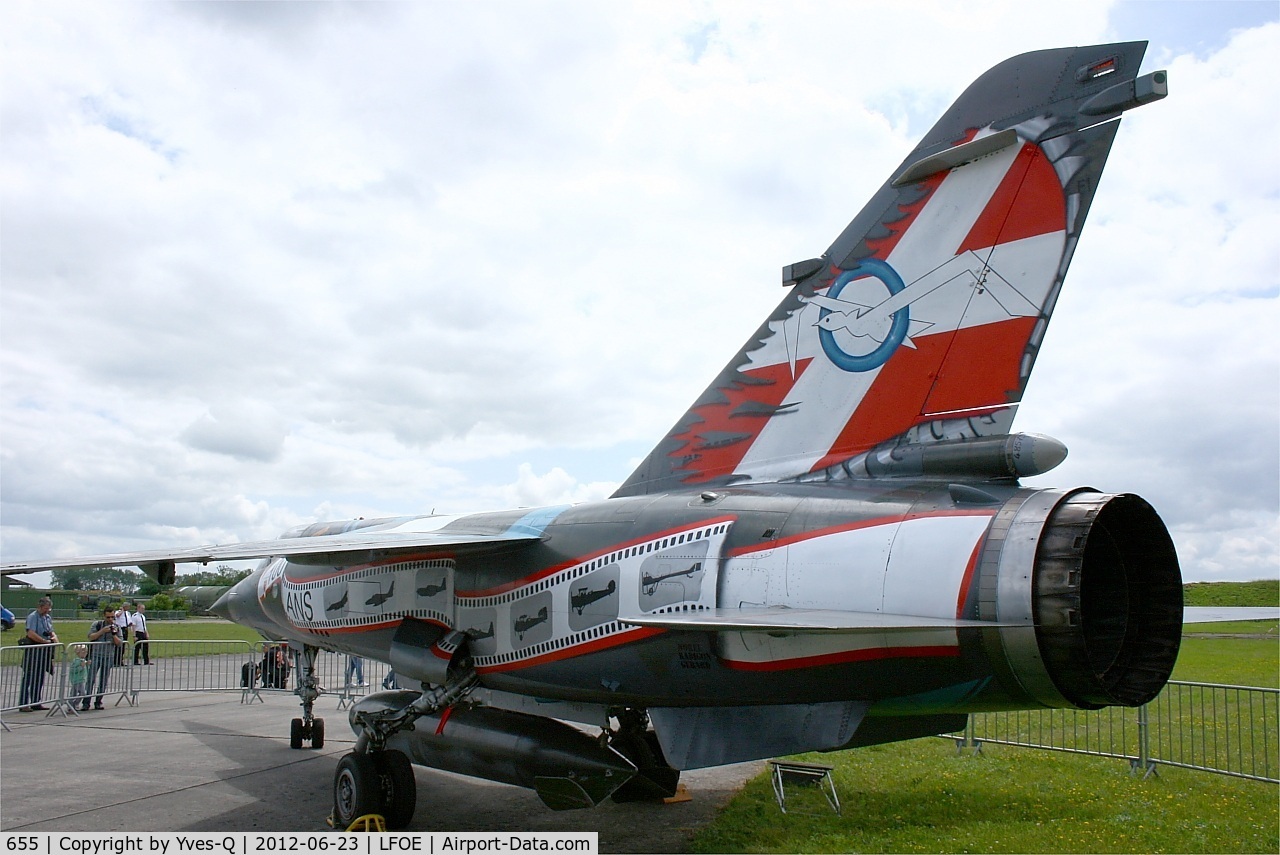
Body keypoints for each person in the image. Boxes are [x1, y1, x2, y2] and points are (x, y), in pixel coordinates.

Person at [19, 597, 58, 711]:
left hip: (43, 651)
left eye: (49, 609)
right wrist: (44, 641)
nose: (47, 611)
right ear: (39, 607)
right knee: (29, 677)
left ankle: (36, 702)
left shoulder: (47, 618)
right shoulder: (32, 617)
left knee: (40, 677)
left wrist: (54, 638)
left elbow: (50, 630)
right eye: (45, 608)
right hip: (33, 650)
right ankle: (23, 704)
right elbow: (31, 633)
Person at [85, 605, 123, 710]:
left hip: (108, 656)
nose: (110, 619)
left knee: (103, 680)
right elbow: (90, 636)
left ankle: (98, 701)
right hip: (96, 655)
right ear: (104, 616)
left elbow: (120, 643)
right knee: (90, 679)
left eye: (112, 617)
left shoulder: (117, 627)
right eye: (108, 617)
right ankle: (86, 702)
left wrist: (114, 634)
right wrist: (102, 631)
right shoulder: (97, 625)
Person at [68, 644, 89, 709]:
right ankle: (74, 704)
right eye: (82, 651)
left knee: (74, 693)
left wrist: (87, 664)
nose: (85, 653)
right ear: (77, 652)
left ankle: (71, 705)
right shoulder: (76, 661)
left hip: (81, 679)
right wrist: (81, 666)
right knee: (82, 693)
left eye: (86, 651)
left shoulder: (83, 660)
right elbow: (73, 670)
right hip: (77, 680)